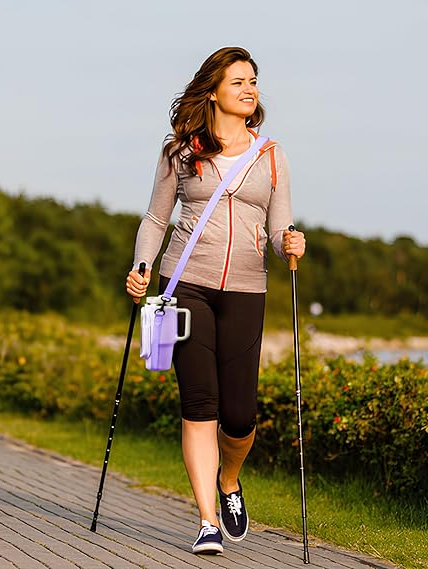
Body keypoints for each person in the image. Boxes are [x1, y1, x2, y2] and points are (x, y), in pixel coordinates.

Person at [126, 46, 306, 555]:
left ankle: (230, 479)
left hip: (248, 290)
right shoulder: (180, 152)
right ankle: (207, 521)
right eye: (239, 82)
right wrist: (142, 268)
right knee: (198, 403)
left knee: (240, 415)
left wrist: (290, 242)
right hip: (186, 284)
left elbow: (277, 228)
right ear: (213, 91)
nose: (251, 89)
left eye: (253, 81)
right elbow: (156, 219)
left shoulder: (272, 156)